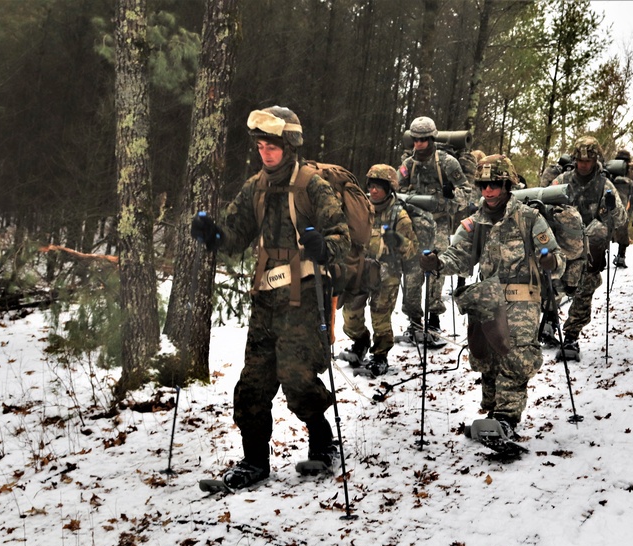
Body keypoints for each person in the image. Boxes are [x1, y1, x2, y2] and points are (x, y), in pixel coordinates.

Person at [190, 105, 350, 488]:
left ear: (289, 145)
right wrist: (213, 235)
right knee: (253, 383)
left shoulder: (313, 185)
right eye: (261, 145)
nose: (265, 152)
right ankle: (254, 460)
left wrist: (321, 246)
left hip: (305, 296)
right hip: (265, 298)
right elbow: (235, 236)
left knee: (296, 377)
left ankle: (322, 442)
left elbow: (341, 238)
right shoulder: (254, 187)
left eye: (273, 145)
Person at [419, 154, 564, 438]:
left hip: (523, 296)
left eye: (495, 184)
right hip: (489, 296)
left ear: (508, 185)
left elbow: (557, 258)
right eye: (484, 185)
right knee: (488, 356)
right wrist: (437, 263)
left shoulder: (529, 218)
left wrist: (550, 263)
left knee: (515, 354)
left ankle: (506, 417)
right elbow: (457, 256)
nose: (489, 191)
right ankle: (495, 411)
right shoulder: (474, 223)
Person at [550, 136, 627, 361]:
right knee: (551, 285)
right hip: (562, 247)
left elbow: (622, 220)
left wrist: (612, 208)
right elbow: (542, 209)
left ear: (596, 160)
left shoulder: (605, 185)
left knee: (584, 290)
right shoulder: (561, 181)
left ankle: (571, 335)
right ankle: (547, 320)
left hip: (589, 251)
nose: (584, 164)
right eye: (580, 160)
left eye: (588, 160)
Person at [337, 165, 418, 377]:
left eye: (378, 188)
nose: (373, 191)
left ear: (389, 189)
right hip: (360, 269)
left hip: (386, 273)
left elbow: (412, 250)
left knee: (380, 316)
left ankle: (380, 355)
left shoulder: (399, 215)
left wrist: (398, 241)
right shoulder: (360, 209)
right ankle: (360, 342)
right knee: (350, 314)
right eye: (371, 186)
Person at [397, 116, 471, 347]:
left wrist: (450, 198)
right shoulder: (408, 164)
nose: (419, 144)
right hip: (413, 224)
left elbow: (466, 192)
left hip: (438, 223)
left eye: (424, 140)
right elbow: (396, 188)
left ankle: (433, 319)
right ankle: (414, 320)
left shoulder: (447, 162)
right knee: (411, 273)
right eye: (416, 140)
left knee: (435, 271)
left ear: (431, 139)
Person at [609, 148, 633, 268]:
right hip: (619, 203)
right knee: (620, 229)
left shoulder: (614, 169)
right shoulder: (630, 172)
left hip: (618, 203)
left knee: (615, 230)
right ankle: (620, 256)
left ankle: (617, 256)